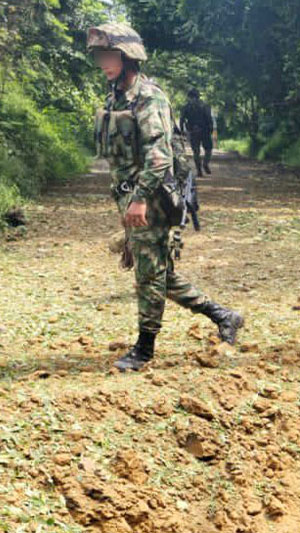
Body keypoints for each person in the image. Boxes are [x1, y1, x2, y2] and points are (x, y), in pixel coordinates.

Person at [87, 23, 243, 372]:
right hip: (131, 197)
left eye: (110, 54)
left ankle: (144, 348)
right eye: (100, 55)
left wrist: (140, 198)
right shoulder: (115, 98)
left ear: (128, 57)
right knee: (158, 272)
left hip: (152, 198)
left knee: (149, 274)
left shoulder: (149, 97)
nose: (104, 62)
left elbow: (159, 156)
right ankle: (224, 316)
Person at [180, 88, 216, 176]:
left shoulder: (186, 107)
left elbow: (182, 120)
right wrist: (211, 129)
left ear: (190, 97)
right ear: (198, 97)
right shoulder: (205, 106)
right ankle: (205, 164)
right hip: (204, 130)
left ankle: (199, 170)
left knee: (196, 152)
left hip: (193, 131)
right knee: (208, 149)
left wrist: (182, 131)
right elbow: (209, 118)